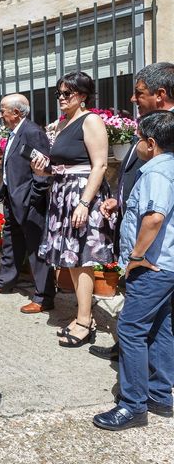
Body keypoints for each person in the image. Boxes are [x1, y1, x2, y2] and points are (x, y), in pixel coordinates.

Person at [93, 110, 174, 431]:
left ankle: (133, 405)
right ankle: (160, 395)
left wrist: (137, 256)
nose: (137, 144)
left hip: (153, 266)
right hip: (167, 264)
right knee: (161, 327)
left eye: (140, 139)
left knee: (130, 329)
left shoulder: (156, 172)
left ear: (151, 144)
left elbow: (154, 217)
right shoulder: (168, 167)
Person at [91, 62, 174, 361]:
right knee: (151, 316)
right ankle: (135, 356)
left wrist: (138, 254)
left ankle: (145, 375)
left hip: (158, 249)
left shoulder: (168, 135)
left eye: (139, 93)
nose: (132, 99)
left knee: (157, 318)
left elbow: (162, 194)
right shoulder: (149, 127)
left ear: (160, 95)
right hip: (144, 240)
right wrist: (120, 200)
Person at [32, 71, 114, 347]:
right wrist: (43, 170)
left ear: (82, 95)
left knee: (82, 260)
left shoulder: (91, 120)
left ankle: (83, 321)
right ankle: (83, 316)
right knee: (73, 260)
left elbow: (100, 165)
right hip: (62, 193)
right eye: (59, 94)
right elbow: (63, 164)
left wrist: (84, 202)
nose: (61, 99)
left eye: (67, 94)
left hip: (80, 196)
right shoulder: (65, 123)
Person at [0, 94, 55, 311]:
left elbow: (43, 170)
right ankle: (4, 280)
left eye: (2, 110)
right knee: (11, 241)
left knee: (36, 249)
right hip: (12, 197)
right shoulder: (15, 131)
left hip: (28, 201)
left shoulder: (33, 132)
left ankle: (43, 296)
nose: (0, 115)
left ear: (16, 113)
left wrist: (33, 197)